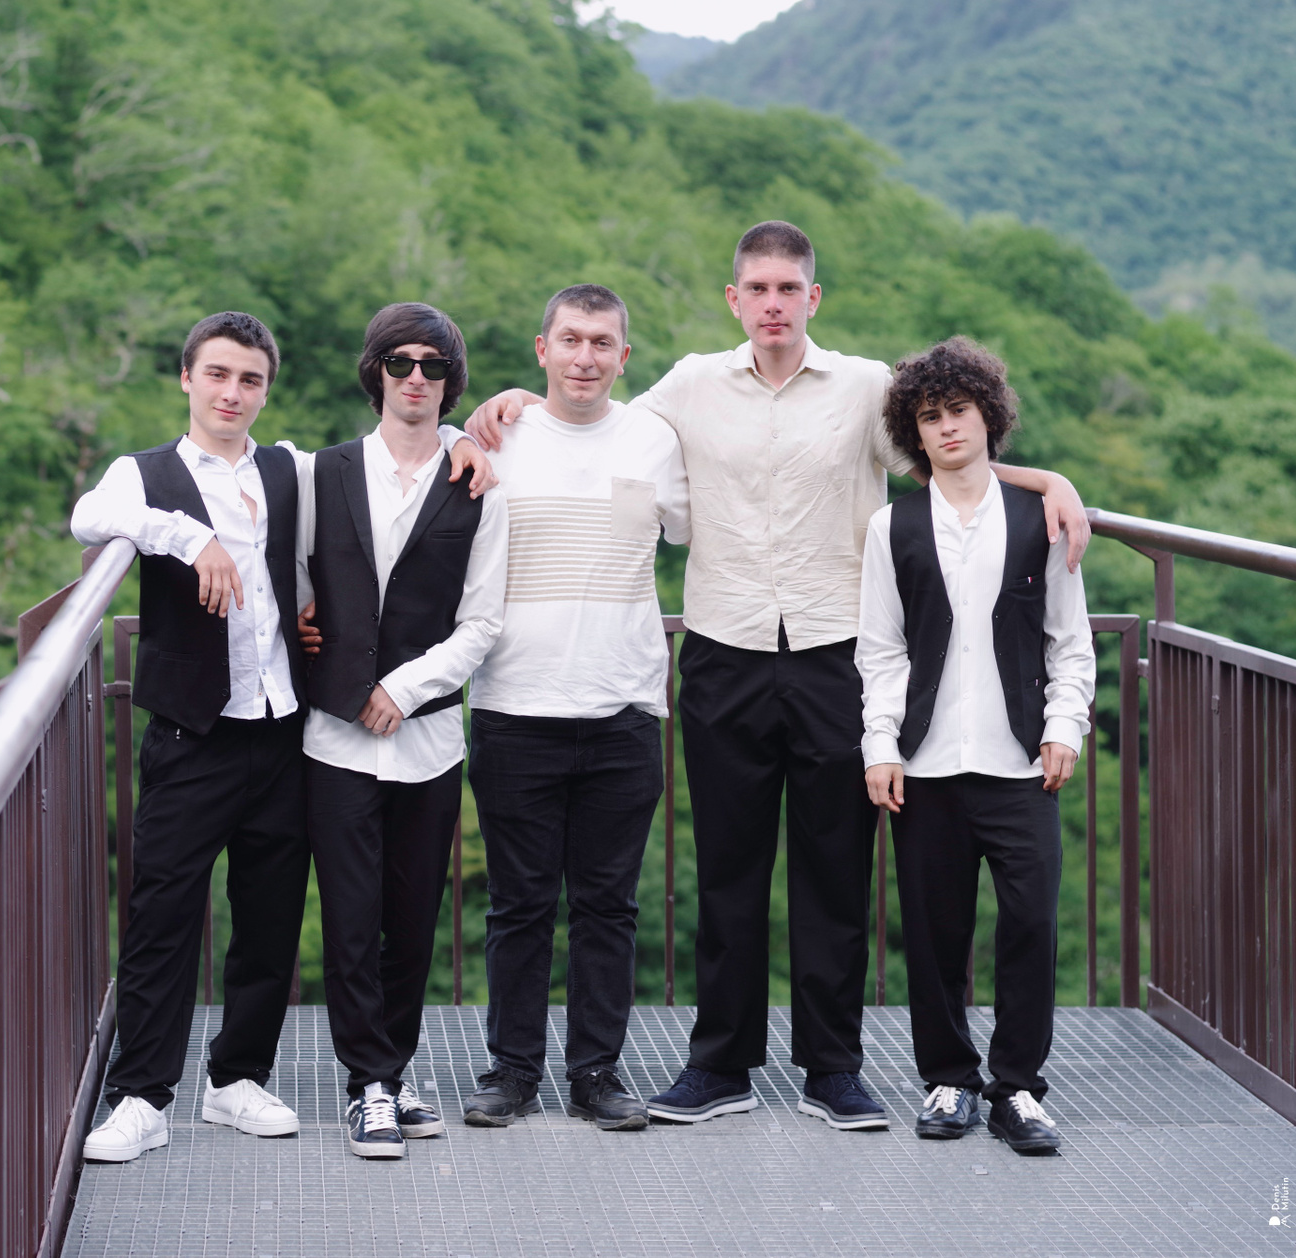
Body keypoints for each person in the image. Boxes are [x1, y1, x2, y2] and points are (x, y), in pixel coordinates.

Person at [466, 222, 1090, 1132]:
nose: (771, 304)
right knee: (727, 869)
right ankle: (720, 1065)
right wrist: (513, 403)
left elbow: (951, 459)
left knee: (835, 872)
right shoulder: (688, 385)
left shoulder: (866, 387)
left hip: (838, 652)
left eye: (787, 288)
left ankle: (832, 1069)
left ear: (812, 297)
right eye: (755, 288)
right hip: (725, 649)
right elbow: (593, 413)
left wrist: (1047, 481)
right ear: (734, 299)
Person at [73, 311, 494, 1164]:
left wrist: (467, 437)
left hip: (282, 732)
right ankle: (142, 1096)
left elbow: (402, 445)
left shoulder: (290, 469)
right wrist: (191, 537)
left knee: (267, 920)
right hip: (192, 732)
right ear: (186, 378)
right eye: (218, 374)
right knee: (163, 916)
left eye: (250, 380)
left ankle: (237, 1078)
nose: (232, 393)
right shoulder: (144, 474)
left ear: (266, 390)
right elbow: (92, 516)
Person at [457, 284, 689, 1133]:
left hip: (624, 705)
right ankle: (513, 1071)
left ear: (624, 357)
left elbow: (707, 527)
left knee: (608, 907)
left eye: (601, 343)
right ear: (542, 348)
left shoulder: (655, 438)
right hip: (514, 704)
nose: (584, 357)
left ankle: (596, 1072)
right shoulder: (496, 437)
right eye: (570, 340)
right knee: (518, 905)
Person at [858, 337, 1092, 1155]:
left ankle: (1018, 1088)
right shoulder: (892, 526)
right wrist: (879, 744)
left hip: (1021, 764)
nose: (947, 426)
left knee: (1030, 923)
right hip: (925, 765)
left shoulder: (1040, 518)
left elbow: (1070, 641)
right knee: (933, 934)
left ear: (988, 417)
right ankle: (950, 1080)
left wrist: (1064, 727)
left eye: (959, 410)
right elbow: (881, 649)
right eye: (930, 417)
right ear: (914, 433)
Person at [298, 302, 509, 1159]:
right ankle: (369, 1085)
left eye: (433, 365)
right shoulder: (320, 472)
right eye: (399, 362)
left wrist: (406, 686)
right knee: (351, 918)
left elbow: (483, 621)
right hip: (335, 736)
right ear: (375, 371)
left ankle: (390, 1068)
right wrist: (306, 621)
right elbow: (292, 572)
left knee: (414, 919)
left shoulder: (479, 484)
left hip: (426, 738)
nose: (415, 377)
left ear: (450, 381)